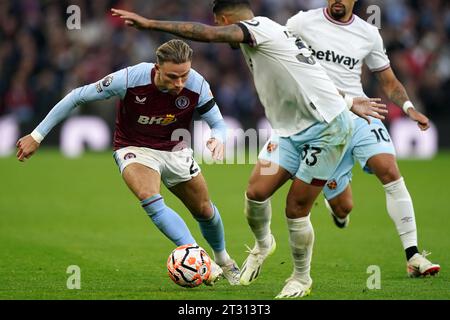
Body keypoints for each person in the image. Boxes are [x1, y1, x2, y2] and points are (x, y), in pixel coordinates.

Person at [111, 0, 387, 298]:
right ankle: (264, 244)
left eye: (220, 24)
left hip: (328, 130)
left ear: (225, 19)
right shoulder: (276, 32)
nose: (220, 30)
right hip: (290, 130)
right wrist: (349, 99)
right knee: (255, 194)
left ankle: (301, 278)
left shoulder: (256, 30)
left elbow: (208, 34)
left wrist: (152, 25)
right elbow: (310, 73)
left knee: (295, 209)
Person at [16, 39, 241, 286]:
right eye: (172, 76)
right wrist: (36, 135)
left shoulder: (197, 84)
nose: (179, 83)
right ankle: (200, 259)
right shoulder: (129, 79)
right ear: (157, 67)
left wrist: (218, 139)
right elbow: (76, 96)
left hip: (176, 149)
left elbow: (218, 124)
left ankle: (224, 259)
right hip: (134, 148)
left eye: (184, 75)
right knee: (149, 197)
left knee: (205, 210)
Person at [286, 0, 440, 277]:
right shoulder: (301, 22)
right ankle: (340, 212)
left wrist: (409, 108)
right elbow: (279, 55)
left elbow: (390, 82)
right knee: (344, 206)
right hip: (322, 123)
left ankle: (413, 255)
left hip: (361, 113)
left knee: (389, 170)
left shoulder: (368, 33)